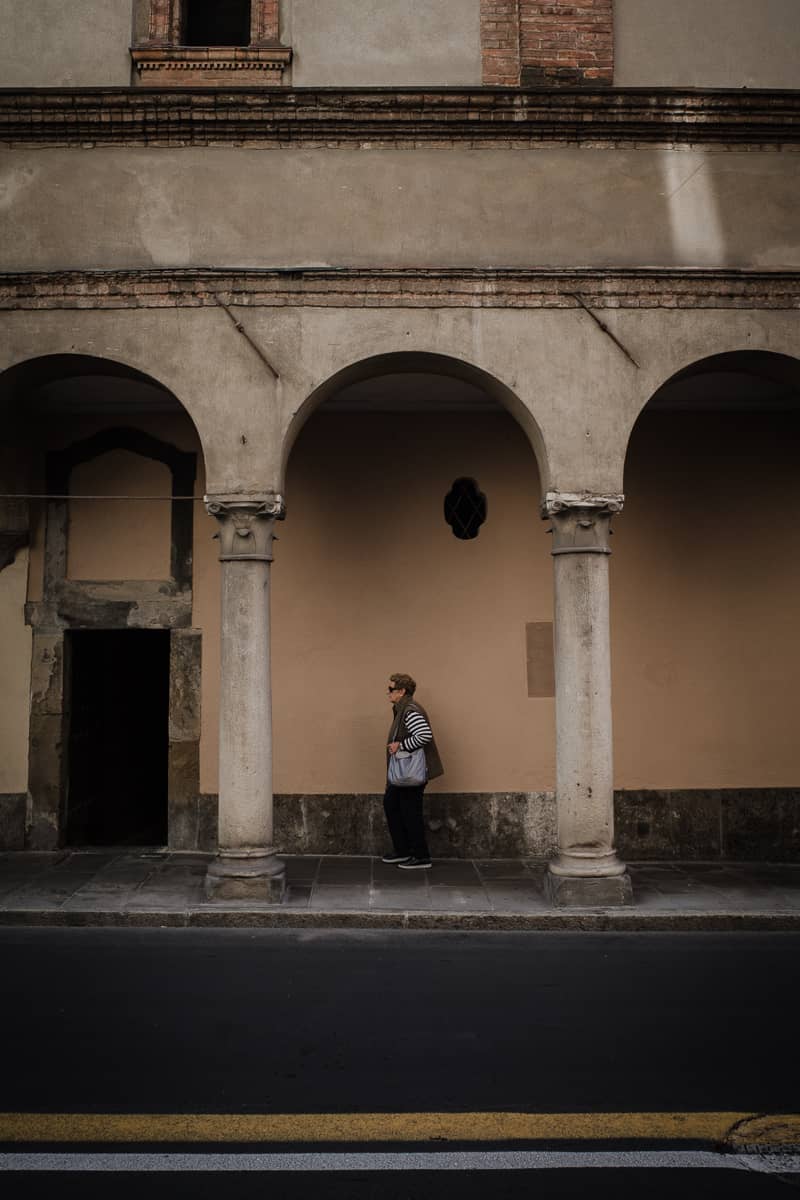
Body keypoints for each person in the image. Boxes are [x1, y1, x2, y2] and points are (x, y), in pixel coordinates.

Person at [382, 673, 443, 870]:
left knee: (410, 812)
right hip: (404, 773)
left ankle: (420, 856)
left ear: (402, 691)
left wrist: (401, 746)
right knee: (393, 805)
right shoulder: (402, 709)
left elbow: (424, 735)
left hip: (411, 772)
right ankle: (403, 851)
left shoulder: (410, 710)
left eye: (391, 689)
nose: (388, 693)